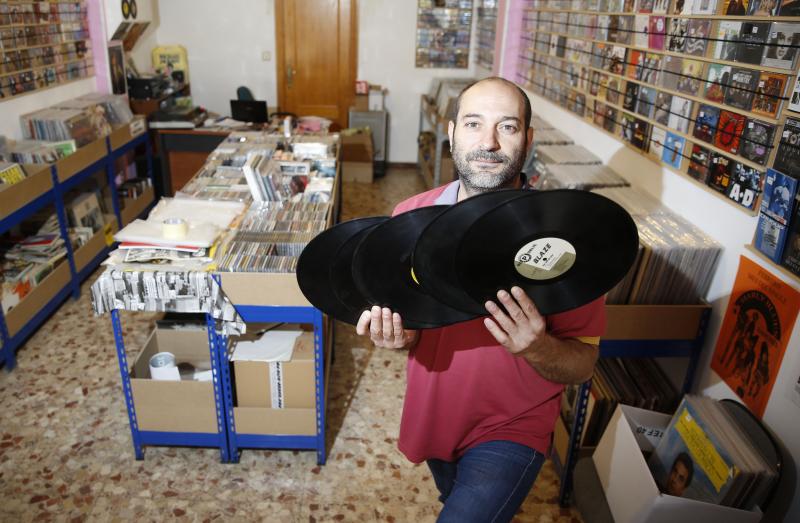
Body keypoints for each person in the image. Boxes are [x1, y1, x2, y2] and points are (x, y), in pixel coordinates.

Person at [355, 77, 605, 522]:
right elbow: (414, 331)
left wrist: (537, 345)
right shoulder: (409, 218)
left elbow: (583, 365)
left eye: (507, 127)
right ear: (450, 132)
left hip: (513, 429)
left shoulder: (565, 240)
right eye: (473, 124)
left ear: (528, 139)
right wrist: (400, 336)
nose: (488, 142)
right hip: (435, 416)